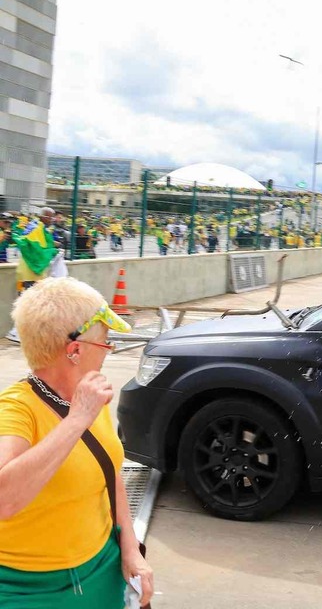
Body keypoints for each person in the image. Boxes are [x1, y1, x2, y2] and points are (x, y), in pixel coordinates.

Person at [0, 278, 154, 607]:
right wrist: (76, 419)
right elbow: (4, 499)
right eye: (105, 343)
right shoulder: (16, 409)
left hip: (101, 570)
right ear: (75, 350)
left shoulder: (88, 394)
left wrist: (130, 549)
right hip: (26, 588)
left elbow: (112, 477)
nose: (109, 352)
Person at [7, 208, 57, 343]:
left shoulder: (42, 229)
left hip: (35, 274)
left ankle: (26, 333)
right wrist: (52, 250)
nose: (52, 220)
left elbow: (41, 248)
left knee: (35, 305)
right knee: (25, 304)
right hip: (28, 273)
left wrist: (52, 249)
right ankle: (16, 332)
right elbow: (34, 248)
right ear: (43, 217)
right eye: (50, 217)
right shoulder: (35, 228)